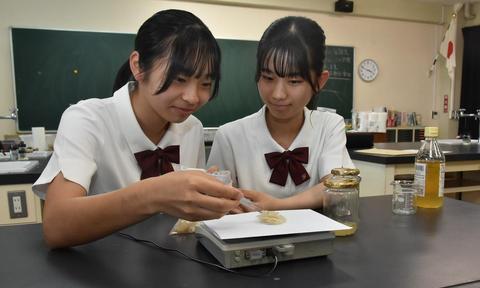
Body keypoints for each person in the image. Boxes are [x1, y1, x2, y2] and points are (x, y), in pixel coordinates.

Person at [33, 9, 242, 248]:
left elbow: (182, 224)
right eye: (179, 79)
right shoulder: (86, 120)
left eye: (206, 84)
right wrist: (154, 194)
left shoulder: (191, 128)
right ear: (138, 66)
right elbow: (57, 225)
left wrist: (205, 198)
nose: (192, 98)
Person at [207, 16, 354, 212]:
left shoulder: (329, 126)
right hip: (251, 240)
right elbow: (216, 200)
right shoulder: (230, 136)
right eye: (268, 77)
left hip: (316, 239)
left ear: (320, 81)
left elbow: (337, 187)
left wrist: (276, 206)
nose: (278, 94)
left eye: (294, 81)